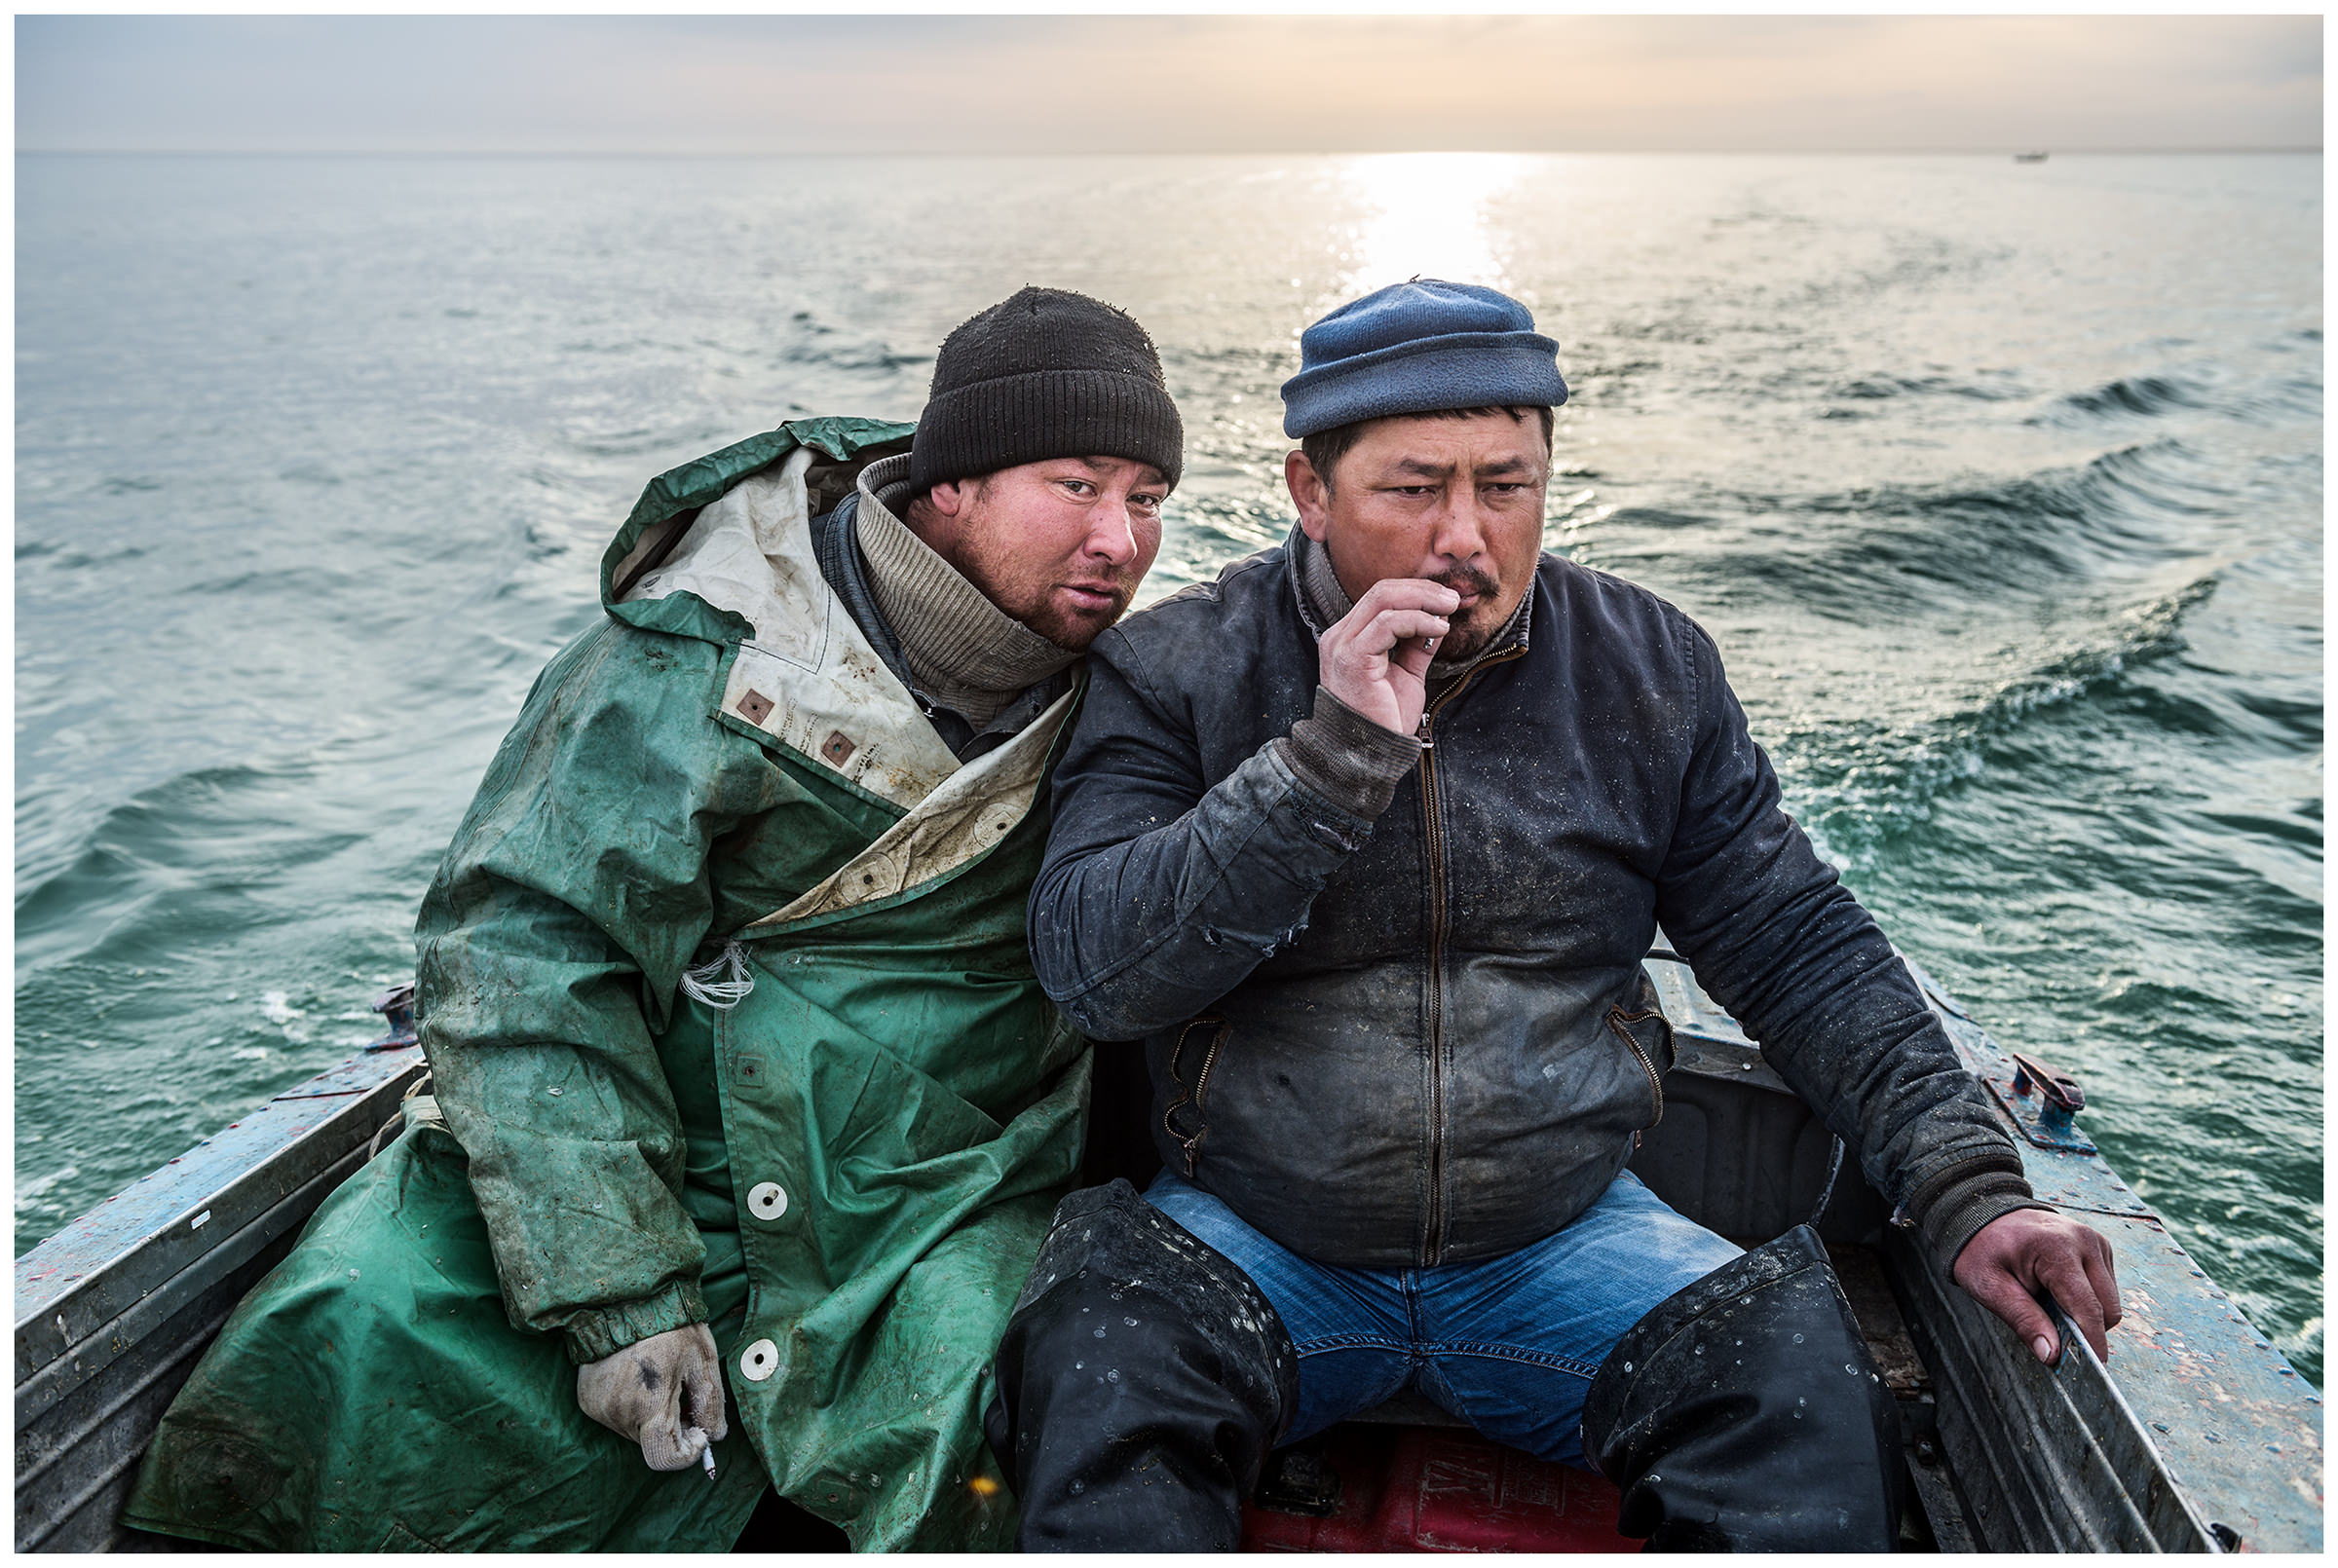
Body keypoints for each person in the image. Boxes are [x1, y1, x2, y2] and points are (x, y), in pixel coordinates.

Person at [984, 280, 2125, 1551]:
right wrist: (1325, 765)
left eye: (1506, 485)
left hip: (1565, 1246)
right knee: (1093, 1373)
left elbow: (1797, 943)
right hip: (1253, 1236)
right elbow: (1096, 969)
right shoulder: (1178, 666)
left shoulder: (1648, 667)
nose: (1464, 536)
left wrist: (1971, 1186)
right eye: (1414, 488)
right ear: (1310, 489)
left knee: (1804, 1398)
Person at [122, 286, 1182, 1551]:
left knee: (1012, 1411)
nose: (1120, 539)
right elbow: (524, 943)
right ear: (949, 484)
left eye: (1149, 499)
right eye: (1076, 486)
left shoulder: (1148, 692)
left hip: (941, 1181)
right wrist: (619, 1291)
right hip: (656, 1139)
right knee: (360, 1313)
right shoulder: (705, 654)